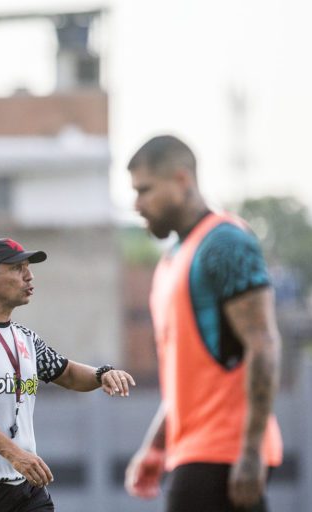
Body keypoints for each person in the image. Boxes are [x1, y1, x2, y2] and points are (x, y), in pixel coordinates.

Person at [123, 135, 283, 512]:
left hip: (224, 453)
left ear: (181, 180)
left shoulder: (225, 242)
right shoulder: (170, 262)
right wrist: (156, 445)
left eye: (145, 190)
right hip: (192, 450)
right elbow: (190, 375)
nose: (137, 204)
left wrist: (250, 452)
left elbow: (264, 343)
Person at [0, 237, 135, 512]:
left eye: (28, 267)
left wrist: (103, 375)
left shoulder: (25, 338)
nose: (29, 276)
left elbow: (69, 374)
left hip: (24, 483)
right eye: (17, 268)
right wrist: (16, 455)